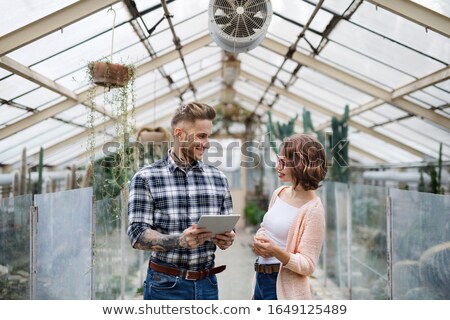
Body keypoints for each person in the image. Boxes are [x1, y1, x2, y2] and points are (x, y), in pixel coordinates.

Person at [127, 102, 235, 300]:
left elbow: (228, 229)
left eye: (208, 136)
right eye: (201, 136)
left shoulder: (218, 178)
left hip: (208, 284)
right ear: (180, 134)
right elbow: (137, 235)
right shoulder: (146, 178)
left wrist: (227, 238)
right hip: (165, 286)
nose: (207, 142)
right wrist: (179, 241)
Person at [252, 134, 327, 300]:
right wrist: (259, 238)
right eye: (279, 160)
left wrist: (276, 252)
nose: (278, 166)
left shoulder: (313, 210)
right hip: (260, 279)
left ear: (301, 165)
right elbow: (267, 227)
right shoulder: (279, 193)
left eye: (283, 162)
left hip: (283, 288)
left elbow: (308, 265)